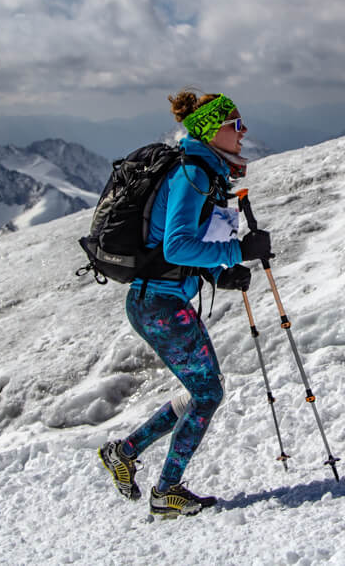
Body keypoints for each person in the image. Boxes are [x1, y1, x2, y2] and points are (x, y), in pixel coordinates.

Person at [98, 90, 272, 518]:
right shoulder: (192, 174)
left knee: (201, 390)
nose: (243, 130)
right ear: (211, 128)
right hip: (158, 303)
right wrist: (236, 253)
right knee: (208, 391)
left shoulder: (203, 172)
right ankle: (166, 490)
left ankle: (123, 452)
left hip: (158, 300)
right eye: (235, 122)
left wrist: (220, 273)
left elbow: (180, 247)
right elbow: (177, 247)